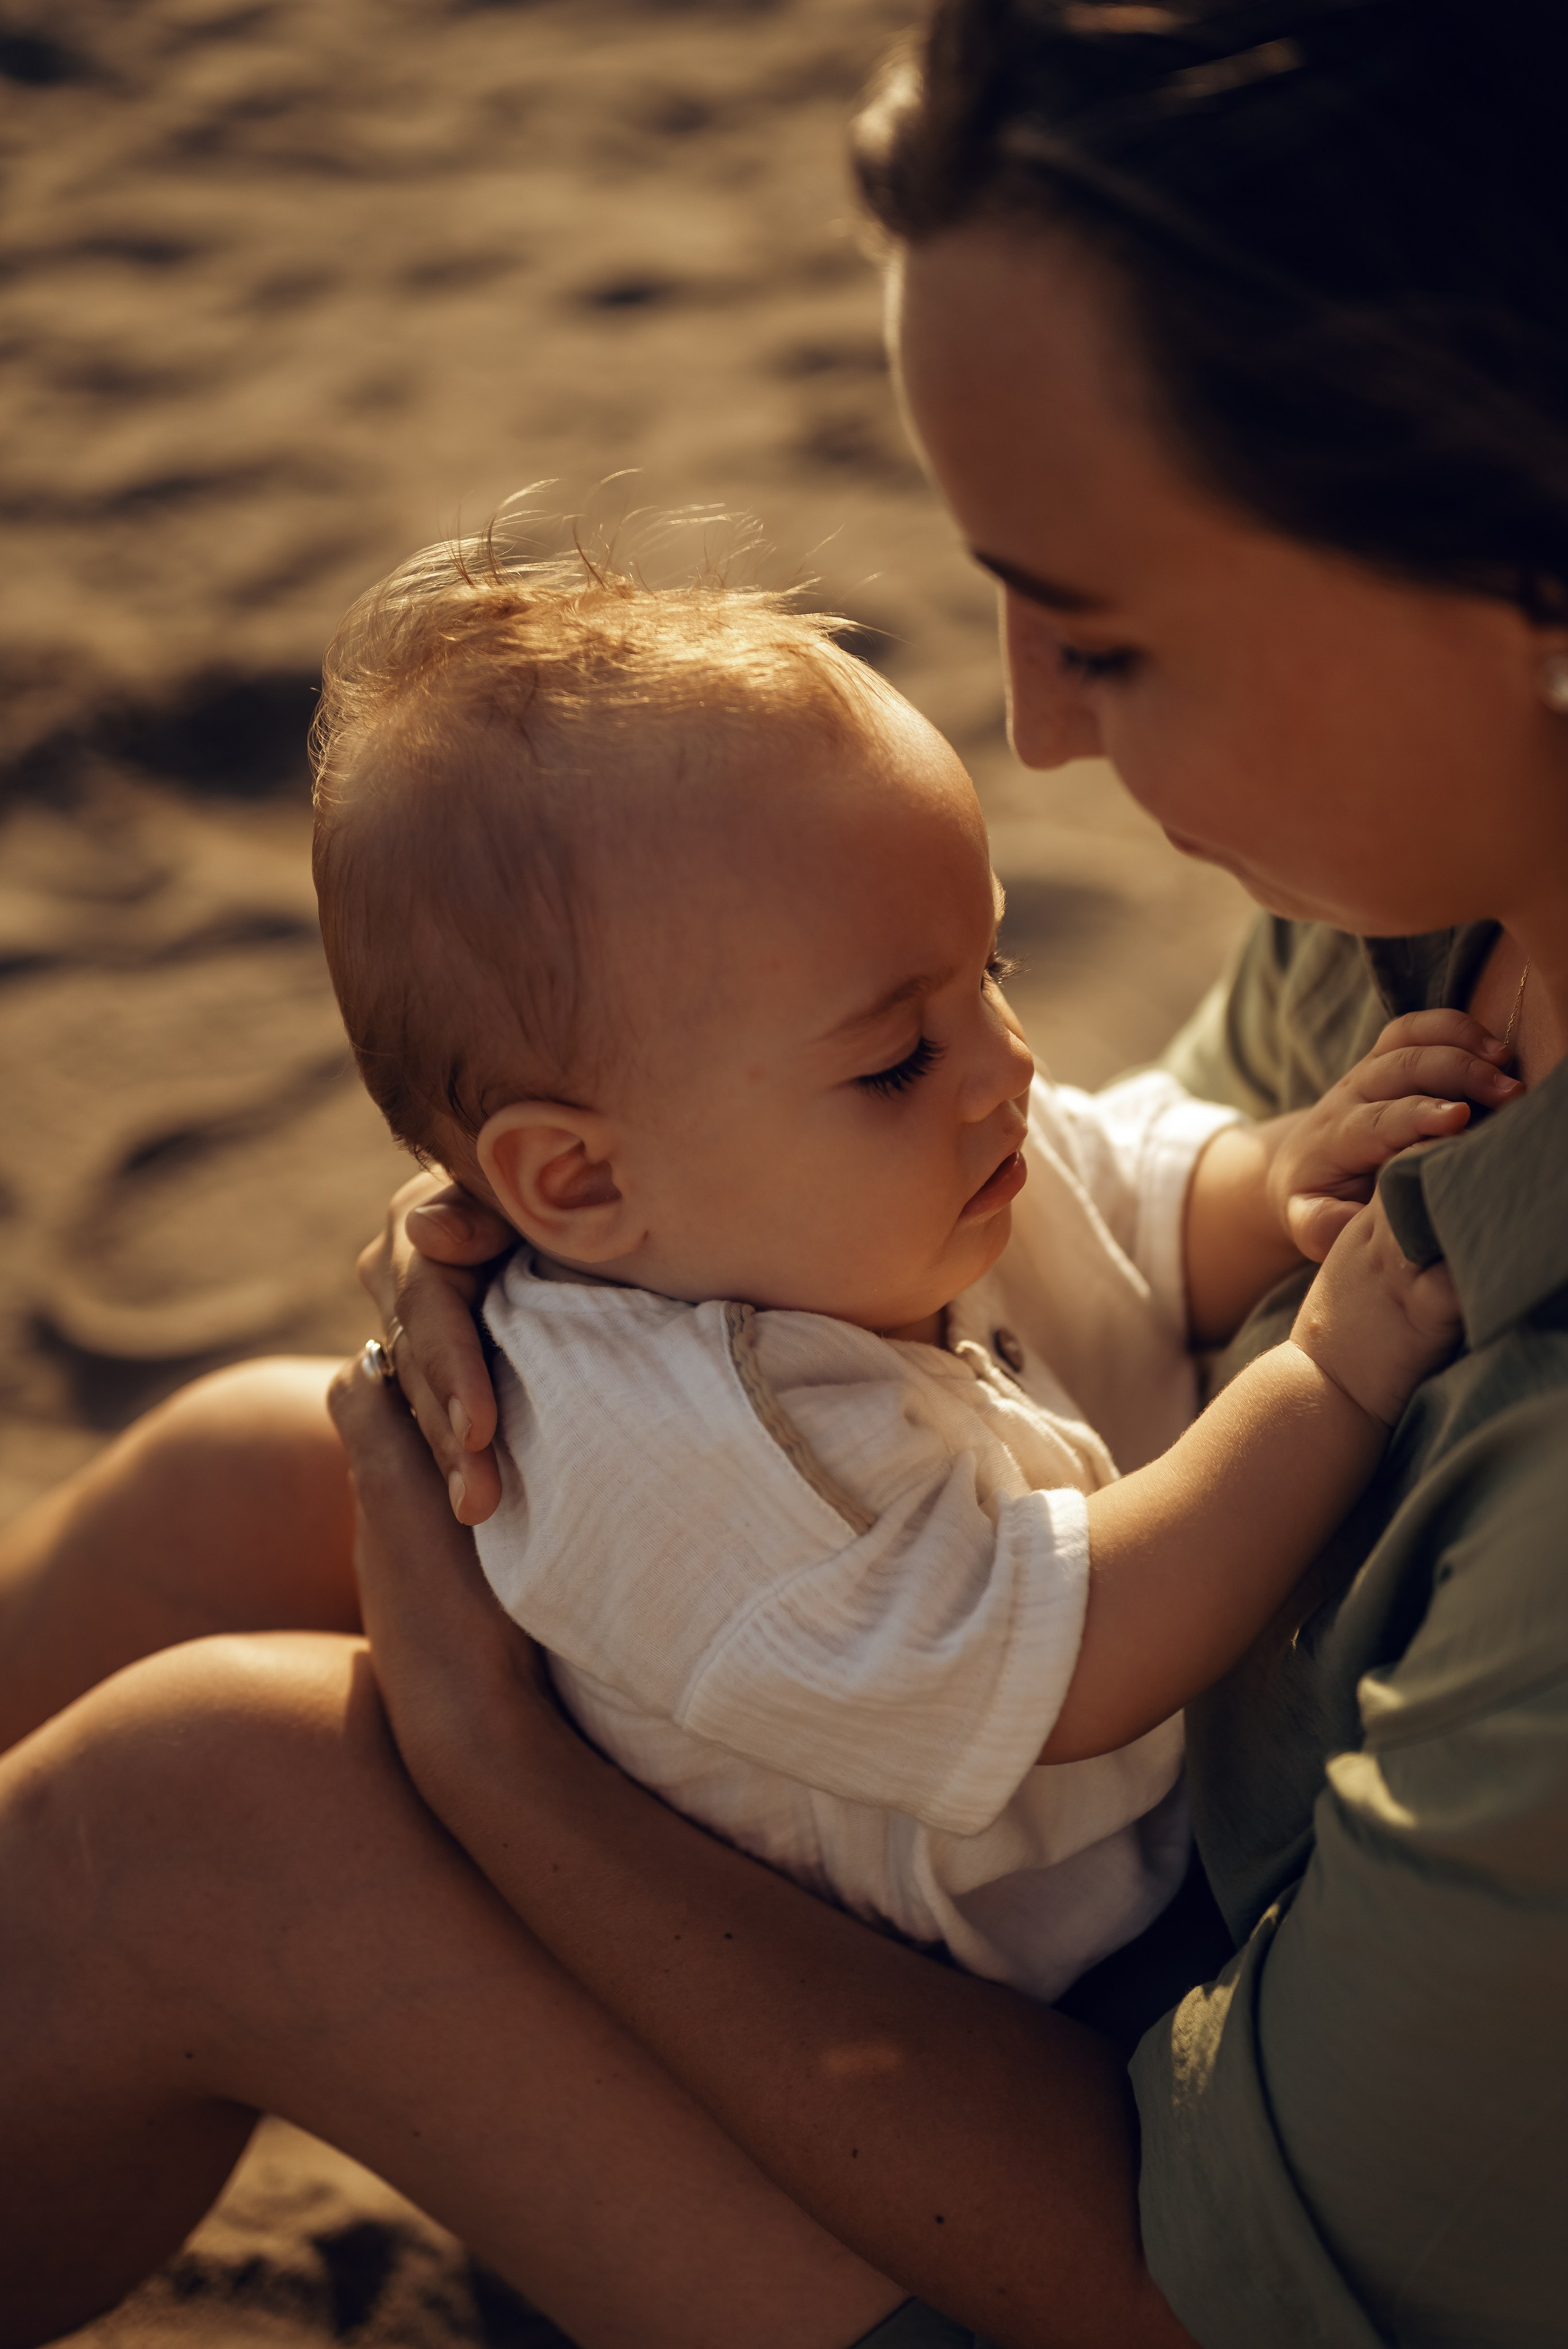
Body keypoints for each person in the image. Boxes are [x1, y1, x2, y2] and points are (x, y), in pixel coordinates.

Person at [3, 2, 1567, 2343]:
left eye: (1110, 627)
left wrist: (500, 1770)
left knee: (194, 1818)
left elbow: (1228, 2276)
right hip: (1061, 1868)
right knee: (265, 1460)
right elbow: (1126, 1199)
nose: (1035, 722)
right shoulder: (1448, 885)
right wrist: (566, 1265)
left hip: (1147, 2191)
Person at [311, 533, 1471, 2002]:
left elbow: (1129, 1192)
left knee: (232, 1464)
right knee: (214, 1631)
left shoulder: (879, 1165)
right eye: (894, 1055)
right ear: (582, 1180)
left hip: (1075, 1859)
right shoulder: (693, 1456)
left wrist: (1278, 1177)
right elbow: (1085, 1658)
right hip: (985, 1986)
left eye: (987, 971)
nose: (1002, 1066)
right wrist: (1326, 1371)